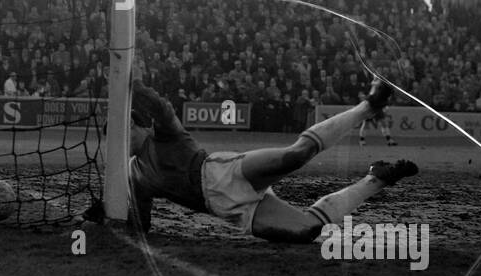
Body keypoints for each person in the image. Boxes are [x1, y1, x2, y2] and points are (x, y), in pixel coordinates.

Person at [117, 78, 418, 243]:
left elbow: (159, 106)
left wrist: (130, 84)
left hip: (222, 172)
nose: (119, 140)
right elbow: (140, 226)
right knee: (307, 231)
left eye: (124, 129)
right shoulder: (135, 174)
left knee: (295, 156)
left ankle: (369, 105)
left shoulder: (164, 134)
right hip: (232, 209)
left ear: (140, 125)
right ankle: (376, 179)